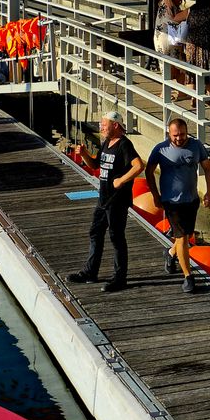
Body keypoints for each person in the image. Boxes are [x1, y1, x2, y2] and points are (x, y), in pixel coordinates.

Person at [69, 116, 142, 291]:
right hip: (103, 199)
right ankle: (90, 272)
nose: (101, 127)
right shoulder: (106, 143)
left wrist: (121, 180)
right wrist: (84, 154)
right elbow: (95, 165)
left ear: (115, 125)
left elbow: (138, 166)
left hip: (117, 200)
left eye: (104, 125)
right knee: (95, 233)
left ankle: (120, 278)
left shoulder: (124, 144)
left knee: (116, 237)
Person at [146, 117, 210, 293]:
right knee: (183, 238)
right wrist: (156, 195)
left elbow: (207, 169)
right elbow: (148, 171)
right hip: (172, 202)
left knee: (186, 235)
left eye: (182, 134)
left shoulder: (196, 146)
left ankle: (170, 254)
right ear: (169, 134)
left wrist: (209, 192)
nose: (179, 138)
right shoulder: (160, 149)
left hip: (191, 200)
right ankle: (188, 277)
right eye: (175, 135)